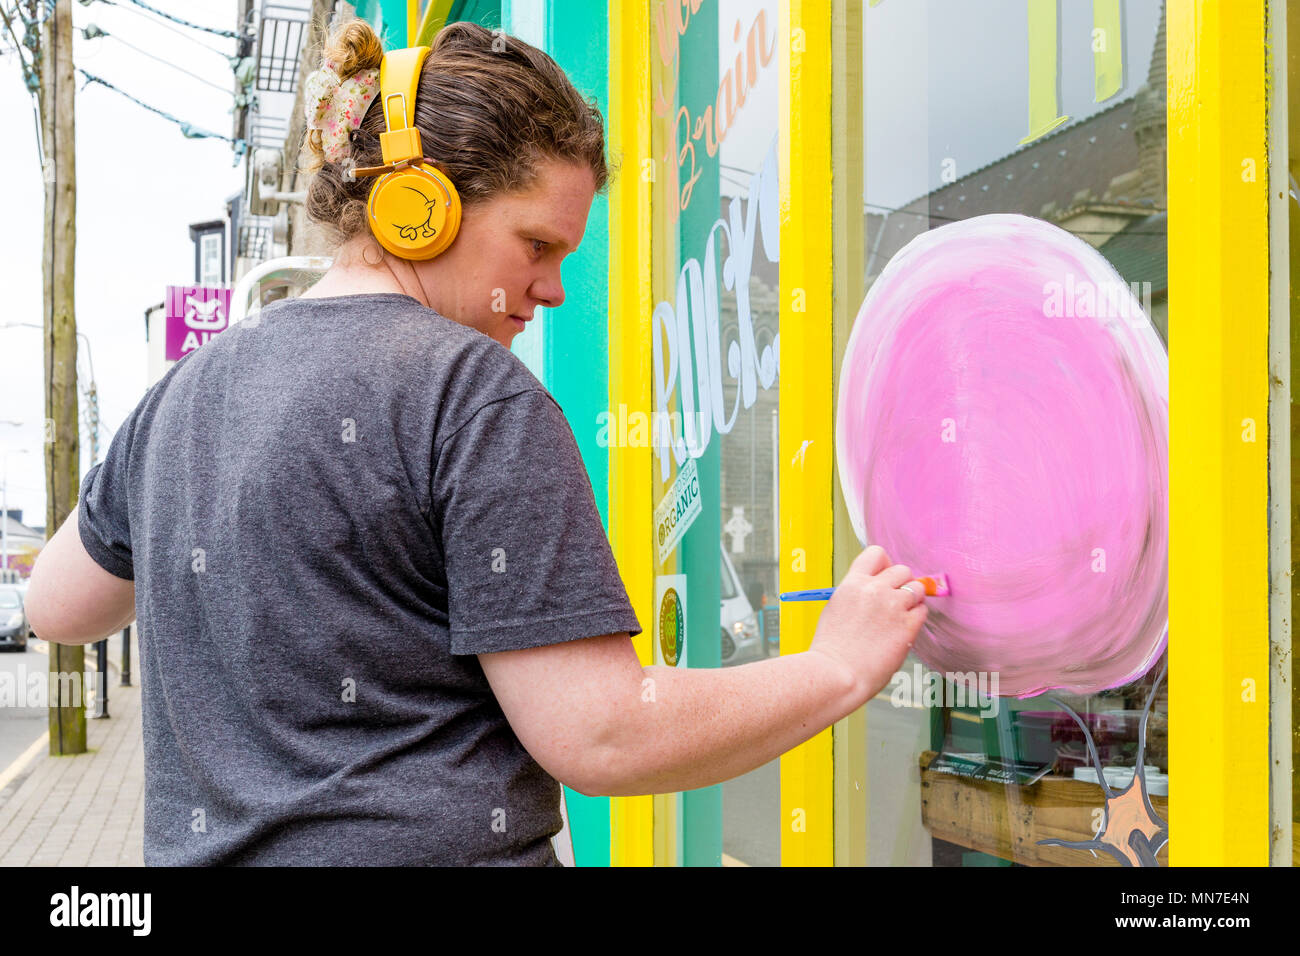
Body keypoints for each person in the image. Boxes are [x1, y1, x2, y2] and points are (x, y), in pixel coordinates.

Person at [23, 18, 929, 866]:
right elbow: (605, 734)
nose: (554, 289)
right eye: (536, 244)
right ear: (419, 208)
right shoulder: (472, 394)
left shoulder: (182, 393)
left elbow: (60, 608)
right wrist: (836, 667)